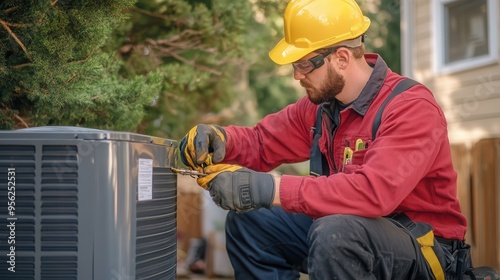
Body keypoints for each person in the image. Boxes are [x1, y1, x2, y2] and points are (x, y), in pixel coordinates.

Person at [179, 0, 472, 279]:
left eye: (304, 64)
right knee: (250, 221)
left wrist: (271, 187)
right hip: (349, 232)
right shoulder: (320, 108)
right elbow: (261, 141)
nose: (296, 75)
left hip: (423, 247)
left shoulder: (410, 106)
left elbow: (373, 192)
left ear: (342, 58)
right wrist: (222, 139)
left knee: (337, 232)